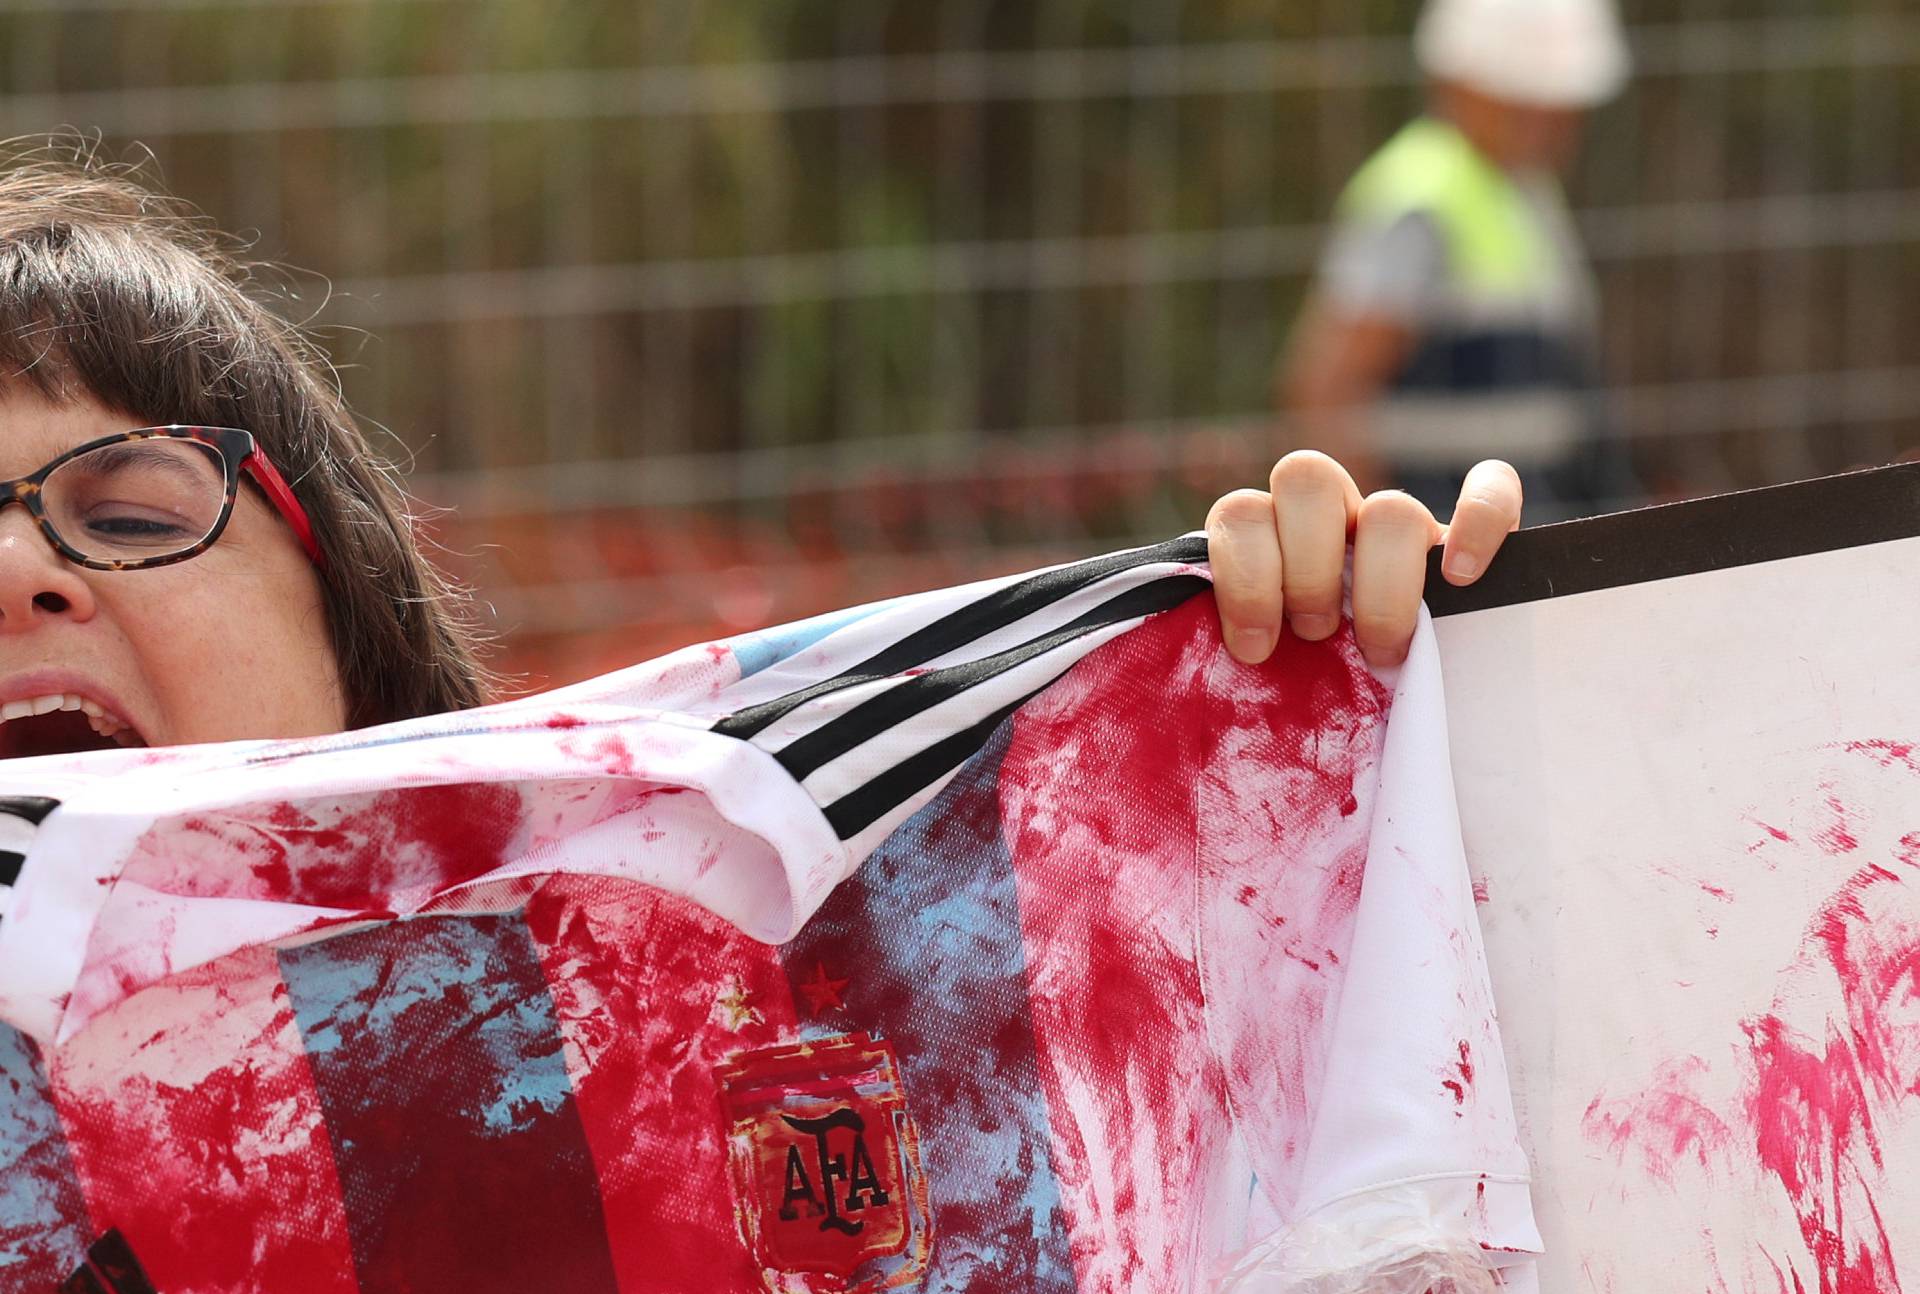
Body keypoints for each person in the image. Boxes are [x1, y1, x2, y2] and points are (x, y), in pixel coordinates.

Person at [0, 157, 1522, 781]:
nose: (17, 570)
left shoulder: (704, 1032)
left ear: (359, 648)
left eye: (127, 508)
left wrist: (1306, 745)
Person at [1279, 0, 1631, 521]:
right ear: (1457, 83)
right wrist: (1373, 555)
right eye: (1521, 98)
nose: (1545, 120)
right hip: (1444, 554)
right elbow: (1327, 393)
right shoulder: (1417, 199)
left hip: (1522, 537)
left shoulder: (1525, 192)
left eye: (1558, 104)